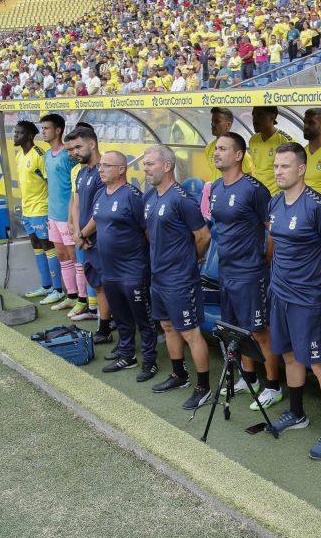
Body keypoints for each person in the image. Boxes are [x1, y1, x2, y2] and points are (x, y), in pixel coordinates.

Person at [266, 142, 321, 452]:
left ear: (301, 169)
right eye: (276, 166)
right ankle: (296, 413)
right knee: (288, 356)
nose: (279, 172)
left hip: (308, 299)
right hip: (279, 293)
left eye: (285, 166)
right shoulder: (273, 203)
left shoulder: (318, 207)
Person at [209, 132, 283, 409]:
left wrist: (265, 258)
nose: (217, 153)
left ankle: (273, 386)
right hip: (225, 273)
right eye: (216, 148)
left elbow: (272, 229)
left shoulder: (254, 189)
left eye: (223, 149)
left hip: (250, 272)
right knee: (236, 329)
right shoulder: (216, 188)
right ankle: (249, 378)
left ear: (239, 155)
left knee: (259, 330)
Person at [142, 145, 214, 410]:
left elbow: (203, 235)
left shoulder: (182, 199)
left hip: (180, 279)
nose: (145, 168)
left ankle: (203, 387)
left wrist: (190, 259)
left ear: (167, 166)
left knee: (190, 332)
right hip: (158, 277)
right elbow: (150, 232)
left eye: (150, 164)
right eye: (145, 164)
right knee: (168, 327)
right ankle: (179, 375)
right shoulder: (150, 197)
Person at [86, 151, 158, 382]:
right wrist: (81, 234)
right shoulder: (100, 194)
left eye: (107, 166)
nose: (101, 169)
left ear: (121, 169)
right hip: (110, 270)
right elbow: (96, 220)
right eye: (101, 166)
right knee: (122, 317)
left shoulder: (133, 197)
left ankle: (150, 361)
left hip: (133, 270)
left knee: (143, 320)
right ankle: (127, 354)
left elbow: (148, 232)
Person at [66, 125, 113, 344]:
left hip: (102, 240)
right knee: (99, 285)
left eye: (78, 147)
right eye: (71, 148)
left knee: (111, 286)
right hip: (85, 240)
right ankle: (105, 327)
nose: (74, 152)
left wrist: (82, 234)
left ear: (92, 144)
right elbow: (76, 204)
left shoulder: (105, 170)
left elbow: (102, 210)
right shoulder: (82, 172)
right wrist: (77, 232)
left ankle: (112, 329)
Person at [40, 113, 88, 318]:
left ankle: (83, 299)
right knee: (61, 255)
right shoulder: (45, 155)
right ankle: (71, 295)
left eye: (46, 128)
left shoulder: (68, 155)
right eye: (41, 128)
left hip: (67, 215)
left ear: (58, 130)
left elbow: (76, 186)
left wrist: (72, 217)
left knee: (74, 256)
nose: (42, 132)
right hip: (53, 214)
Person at [15, 120, 65, 306]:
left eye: (19, 133)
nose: (15, 136)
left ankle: (58, 289)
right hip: (27, 209)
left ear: (29, 136)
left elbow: (49, 181)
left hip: (41, 208)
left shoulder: (39, 155)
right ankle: (45, 285)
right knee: (36, 244)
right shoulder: (19, 155)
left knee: (47, 245)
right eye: (15, 133)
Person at [248, 106, 296, 196]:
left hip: (278, 196)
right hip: (259, 194)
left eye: (260, 115)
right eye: (253, 115)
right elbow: (255, 168)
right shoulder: (253, 140)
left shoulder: (286, 141)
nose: (255, 119)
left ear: (273, 116)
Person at [202, 107, 253, 183]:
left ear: (228, 125)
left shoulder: (238, 150)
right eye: (212, 121)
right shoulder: (208, 148)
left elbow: (248, 177)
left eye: (217, 121)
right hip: (215, 192)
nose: (212, 124)